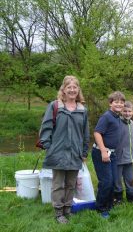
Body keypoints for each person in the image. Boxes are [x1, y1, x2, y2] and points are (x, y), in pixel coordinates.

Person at [39, 75, 89, 224]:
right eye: (69, 87)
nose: (72, 90)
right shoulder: (55, 106)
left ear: (78, 90)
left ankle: (68, 209)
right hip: (58, 152)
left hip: (75, 153)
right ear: (64, 89)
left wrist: (84, 151)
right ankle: (58, 212)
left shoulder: (83, 110)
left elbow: (85, 132)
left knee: (71, 184)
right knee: (58, 184)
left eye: (75, 87)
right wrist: (48, 146)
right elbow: (46, 127)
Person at [92, 91, 125, 219]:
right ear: (110, 103)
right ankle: (100, 208)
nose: (119, 104)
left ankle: (109, 205)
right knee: (106, 181)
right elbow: (97, 133)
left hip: (112, 154)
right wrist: (103, 151)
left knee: (113, 181)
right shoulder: (106, 116)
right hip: (102, 153)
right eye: (116, 102)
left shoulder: (117, 117)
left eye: (121, 102)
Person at [114, 101, 133, 204]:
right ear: (121, 111)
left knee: (130, 179)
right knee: (117, 180)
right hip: (118, 157)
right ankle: (118, 198)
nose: (127, 113)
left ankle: (131, 197)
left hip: (129, 157)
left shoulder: (132, 123)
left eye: (129, 111)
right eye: (125, 111)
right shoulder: (117, 122)